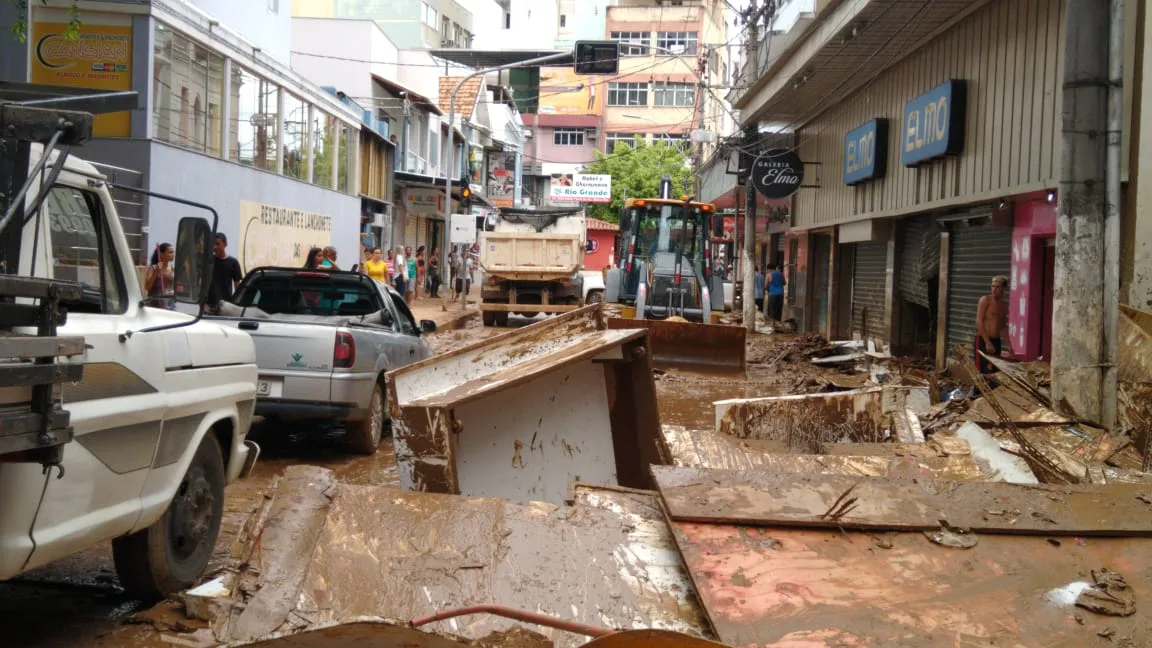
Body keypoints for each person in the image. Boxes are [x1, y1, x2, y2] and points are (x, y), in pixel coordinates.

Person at [975, 275, 1010, 374]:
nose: (994, 289)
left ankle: (990, 390)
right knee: (982, 370)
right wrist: (987, 342)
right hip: (983, 339)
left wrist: (1009, 345)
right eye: (992, 286)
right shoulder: (985, 300)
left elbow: (1003, 326)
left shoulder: (1004, 305)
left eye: (997, 287)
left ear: (1004, 288)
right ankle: (977, 390)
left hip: (996, 341)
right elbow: (979, 321)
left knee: (994, 371)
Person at [207, 233, 243, 312]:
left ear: (225, 244)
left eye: (218, 244)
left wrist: (236, 304)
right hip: (209, 305)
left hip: (226, 305)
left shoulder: (233, 263)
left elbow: (237, 285)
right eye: (213, 244)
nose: (215, 247)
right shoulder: (209, 262)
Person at [144, 242, 175, 309]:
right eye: (170, 252)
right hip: (154, 304)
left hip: (169, 304)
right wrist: (156, 272)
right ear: (161, 254)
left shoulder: (172, 268)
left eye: (173, 252)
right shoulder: (153, 268)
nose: (173, 255)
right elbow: (147, 287)